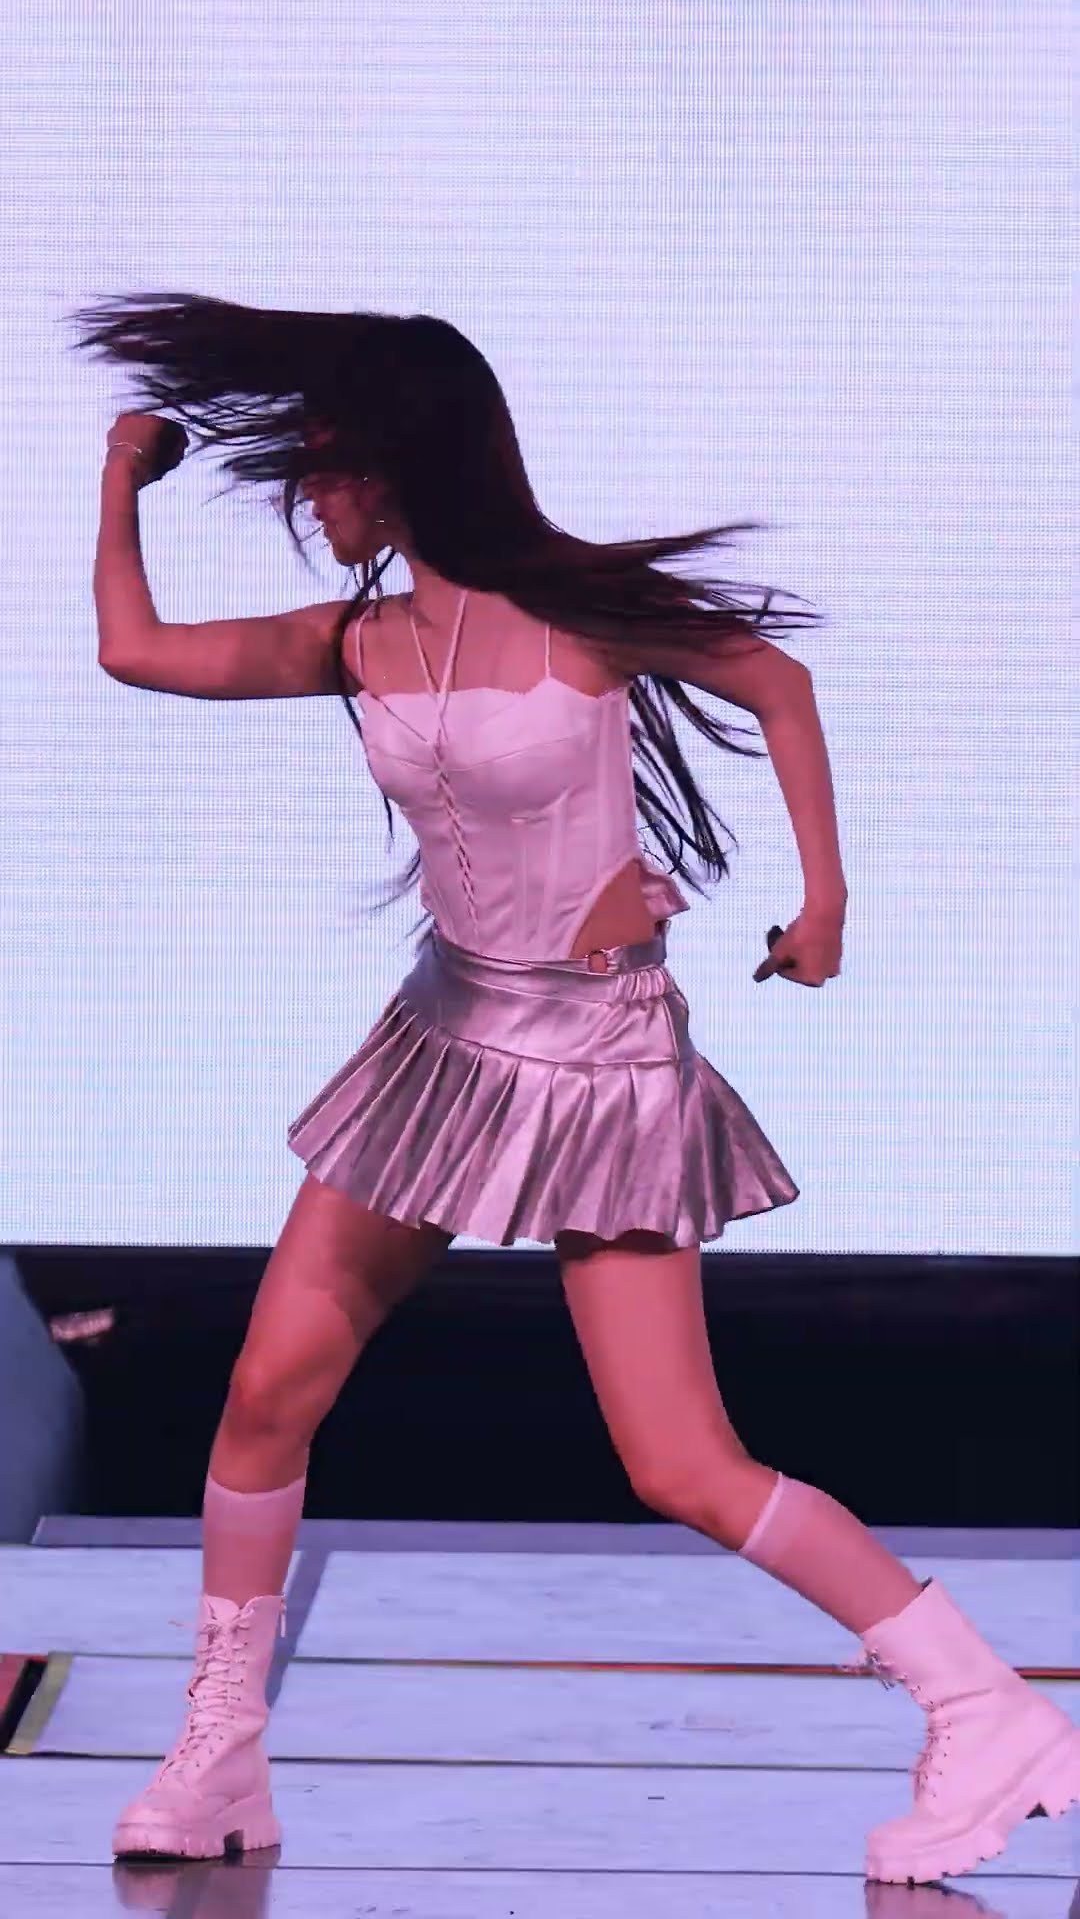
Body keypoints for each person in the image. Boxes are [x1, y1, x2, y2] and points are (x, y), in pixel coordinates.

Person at [74, 294, 1077, 1884]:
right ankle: (220, 1750)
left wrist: (823, 901)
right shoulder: (357, 643)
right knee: (267, 1392)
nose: (311, 500)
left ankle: (984, 1705)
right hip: (441, 1051)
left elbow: (774, 682)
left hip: (602, 1064)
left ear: (402, 465)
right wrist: (117, 481)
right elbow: (134, 652)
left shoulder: (581, 615)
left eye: (328, 469)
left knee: (680, 1462)